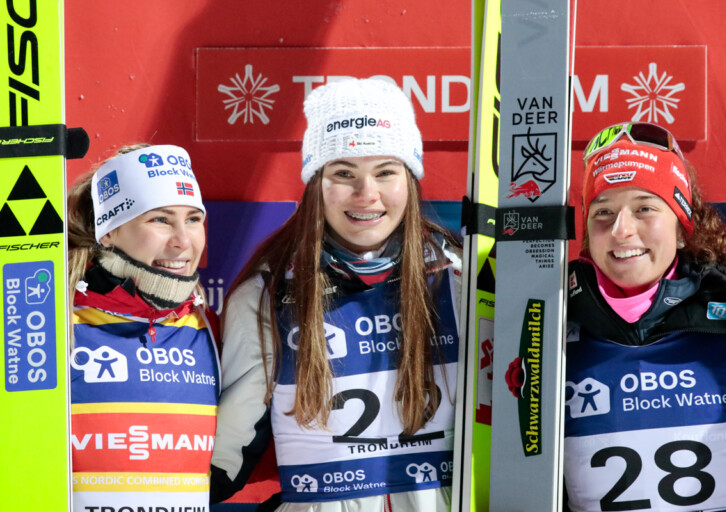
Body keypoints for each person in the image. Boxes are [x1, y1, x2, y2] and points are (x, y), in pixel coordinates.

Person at [210, 78, 462, 511]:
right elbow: (228, 454)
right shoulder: (268, 293)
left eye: (386, 171)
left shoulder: (459, 278)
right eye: (343, 173)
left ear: (411, 179)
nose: (367, 194)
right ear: (315, 184)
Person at [563, 122, 726, 512]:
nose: (622, 230)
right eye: (603, 212)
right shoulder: (550, 320)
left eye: (644, 208)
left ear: (680, 228)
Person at [68, 144, 220, 511]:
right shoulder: (56, 322)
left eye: (193, 219)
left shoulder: (206, 324)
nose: (183, 241)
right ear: (109, 232)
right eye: (160, 220)